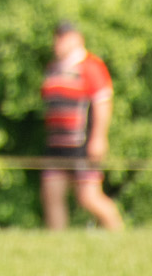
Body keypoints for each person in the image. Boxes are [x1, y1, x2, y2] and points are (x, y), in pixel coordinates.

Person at [40, 20, 124, 231]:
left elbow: (102, 102)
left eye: (63, 37)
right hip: (57, 144)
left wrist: (99, 138)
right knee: (51, 192)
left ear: (77, 38)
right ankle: (57, 244)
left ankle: (118, 232)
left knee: (88, 197)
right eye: (57, 36)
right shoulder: (54, 68)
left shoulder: (91, 67)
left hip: (82, 144)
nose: (58, 42)